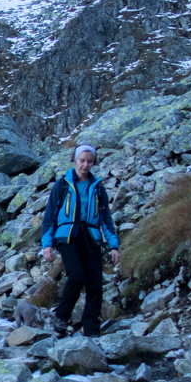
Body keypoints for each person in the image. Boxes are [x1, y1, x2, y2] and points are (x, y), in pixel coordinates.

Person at [40, 144, 120, 337]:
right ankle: (61, 316)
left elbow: (106, 219)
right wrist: (47, 244)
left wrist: (113, 245)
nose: (85, 165)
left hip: (91, 237)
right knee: (76, 276)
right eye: (82, 160)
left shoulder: (98, 187)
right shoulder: (62, 184)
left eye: (89, 161)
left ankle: (91, 329)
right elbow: (49, 217)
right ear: (75, 160)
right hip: (67, 236)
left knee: (95, 283)